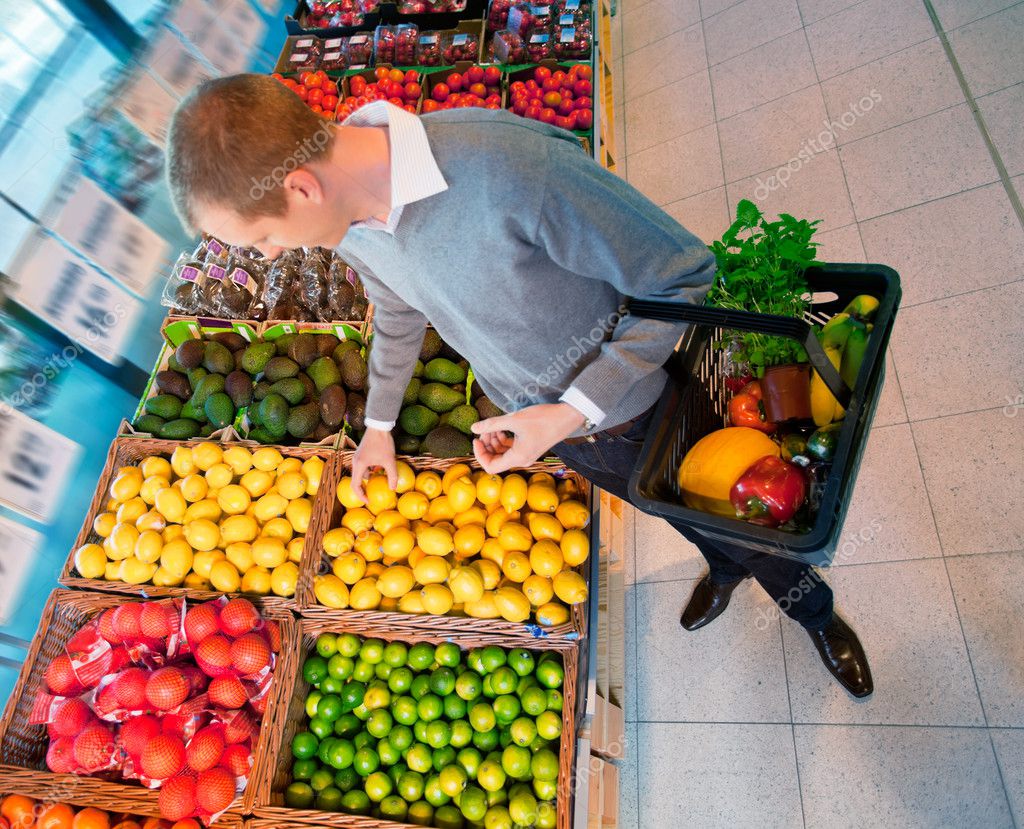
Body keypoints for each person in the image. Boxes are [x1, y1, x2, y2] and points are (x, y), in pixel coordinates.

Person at [166, 74, 873, 697]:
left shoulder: (512, 170)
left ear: (299, 186)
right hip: (567, 438)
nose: (269, 256)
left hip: (646, 401)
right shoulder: (347, 219)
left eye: (259, 239)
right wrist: (378, 427)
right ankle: (721, 561)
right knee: (679, 511)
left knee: (752, 523)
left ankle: (814, 611)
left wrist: (570, 409)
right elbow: (401, 308)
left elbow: (686, 276)